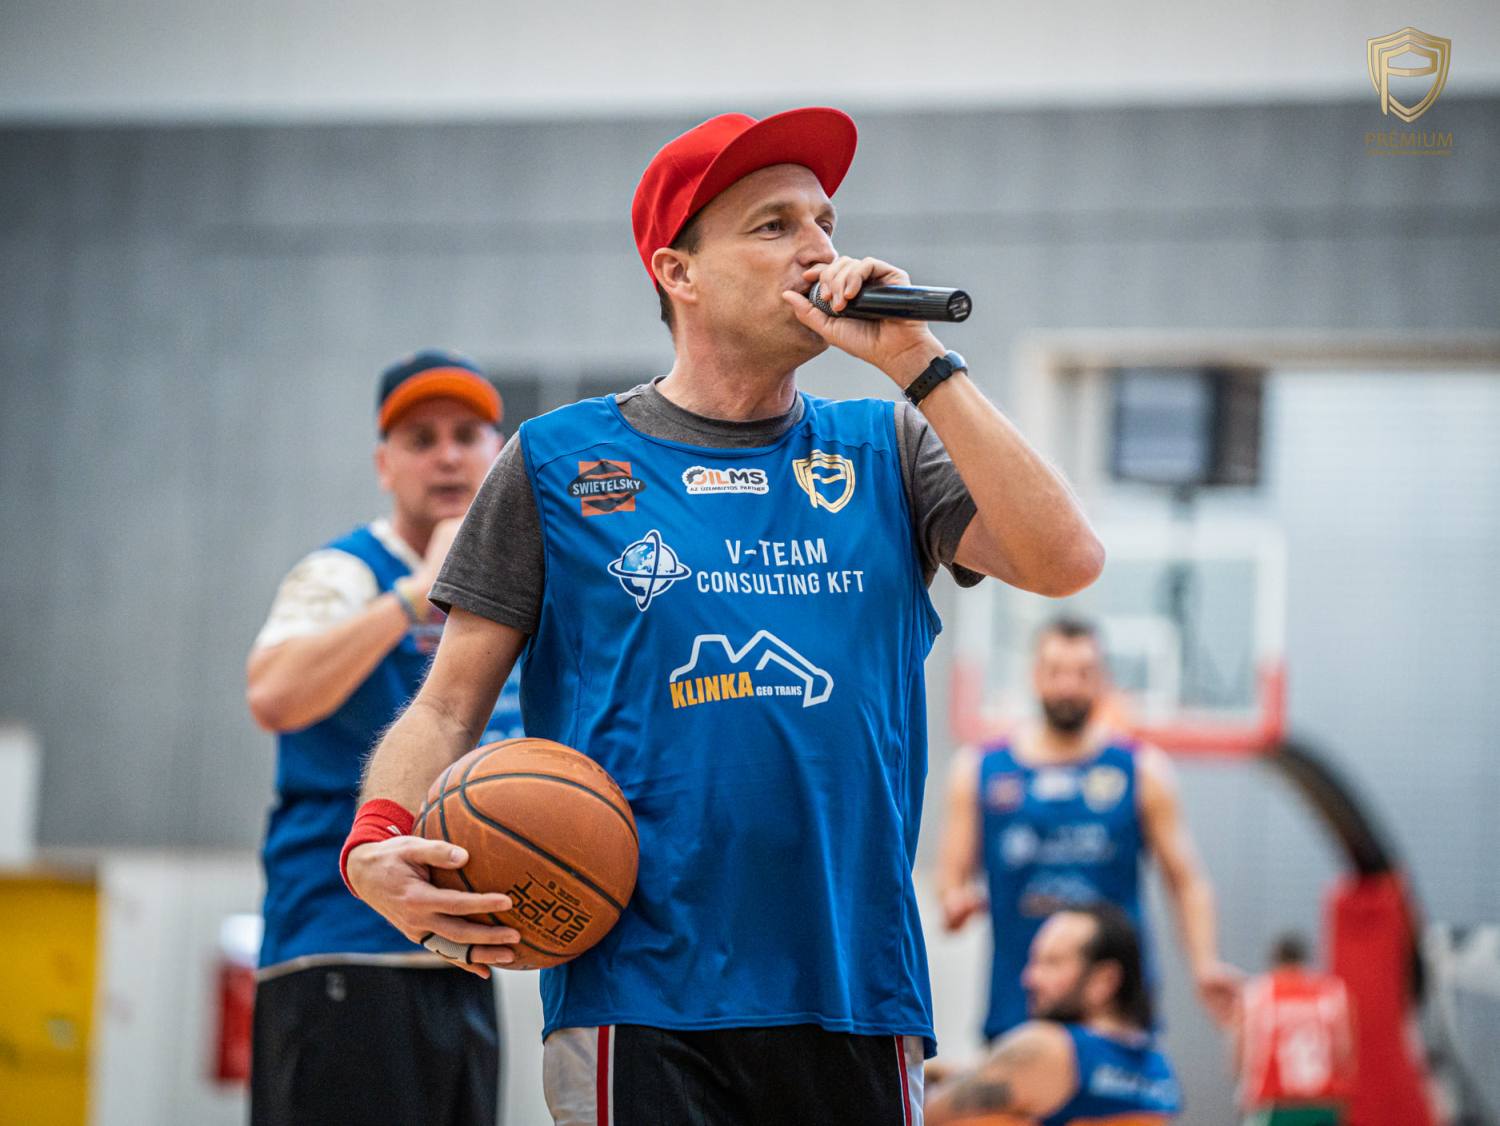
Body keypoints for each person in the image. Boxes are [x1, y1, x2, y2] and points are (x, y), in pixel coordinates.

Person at [342, 107, 1105, 1126]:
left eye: (825, 222)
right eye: (774, 224)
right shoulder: (557, 462)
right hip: (639, 992)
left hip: (857, 988)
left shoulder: (886, 445)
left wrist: (922, 363)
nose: (819, 249)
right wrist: (375, 842)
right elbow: (446, 708)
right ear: (679, 271)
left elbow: (1066, 561)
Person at [245, 350, 522, 1126]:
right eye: (421, 439)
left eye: (466, 435)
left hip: (460, 953)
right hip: (342, 947)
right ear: (384, 465)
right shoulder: (344, 573)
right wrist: (412, 597)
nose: (447, 456)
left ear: (498, 454)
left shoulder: (515, 590)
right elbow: (272, 694)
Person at [935, 616, 1240, 1041]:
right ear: (1034, 675)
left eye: (1083, 673)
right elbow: (950, 879)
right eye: (1056, 671)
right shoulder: (979, 770)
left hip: (1115, 1013)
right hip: (1020, 1005)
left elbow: (1186, 880)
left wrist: (1205, 962)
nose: (1068, 686)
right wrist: (955, 903)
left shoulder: (1142, 769)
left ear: (1103, 679)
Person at [926, 904, 1182, 1125]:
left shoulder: (1048, 1046)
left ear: (1104, 980)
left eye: (1051, 962)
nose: (1029, 979)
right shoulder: (1158, 1069)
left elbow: (921, 1114)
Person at [1234, 933, 1355, 1126]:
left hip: (1277, 1105)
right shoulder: (1331, 992)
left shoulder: (1261, 992)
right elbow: (1345, 1052)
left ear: (1275, 961)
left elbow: (1244, 1051)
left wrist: (1245, 1090)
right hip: (1324, 1104)